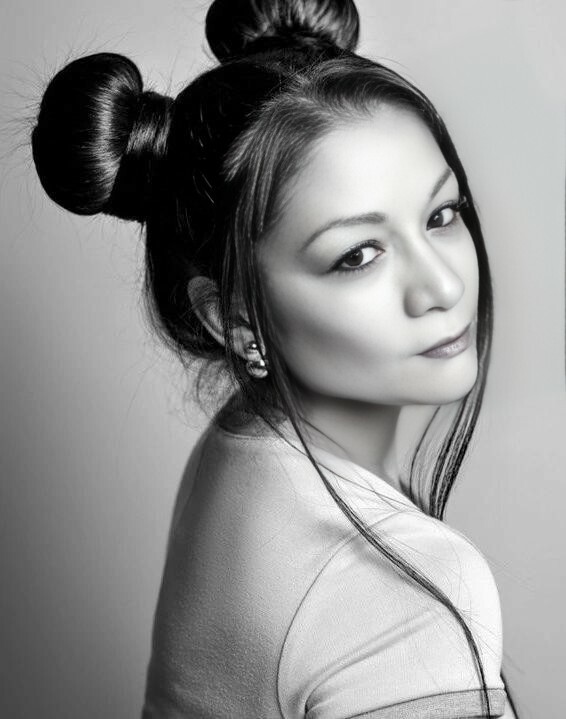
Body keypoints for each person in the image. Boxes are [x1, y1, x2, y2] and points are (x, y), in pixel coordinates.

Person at [30, 0, 520, 716]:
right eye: (357, 255)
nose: (443, 287)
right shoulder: (403, 593)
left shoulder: (240, 449)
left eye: (441, 215)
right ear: (232, 318)